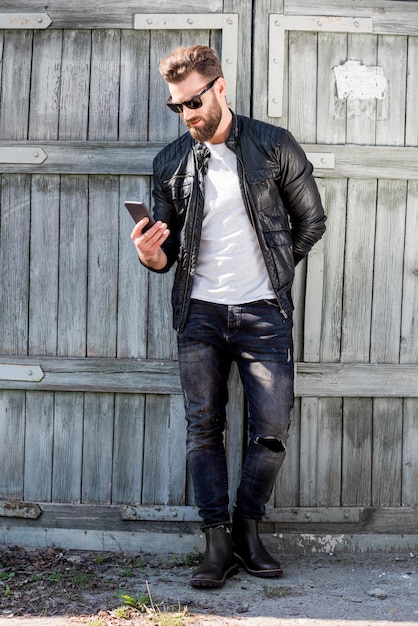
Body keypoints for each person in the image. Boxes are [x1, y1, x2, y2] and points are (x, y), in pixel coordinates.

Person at [131, 45, 326, 588]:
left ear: (219, 87)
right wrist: (152, 256)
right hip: (200, 314)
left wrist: (271, 273)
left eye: (193, 101)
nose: (187, 114)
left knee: (271, 427)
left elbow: (311, 222)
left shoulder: (273, 145)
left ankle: (247, 530)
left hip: (265, 313)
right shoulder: (171, 161)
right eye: (176, 106)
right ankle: (216, 543)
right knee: (204, 428)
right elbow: (165, 251)